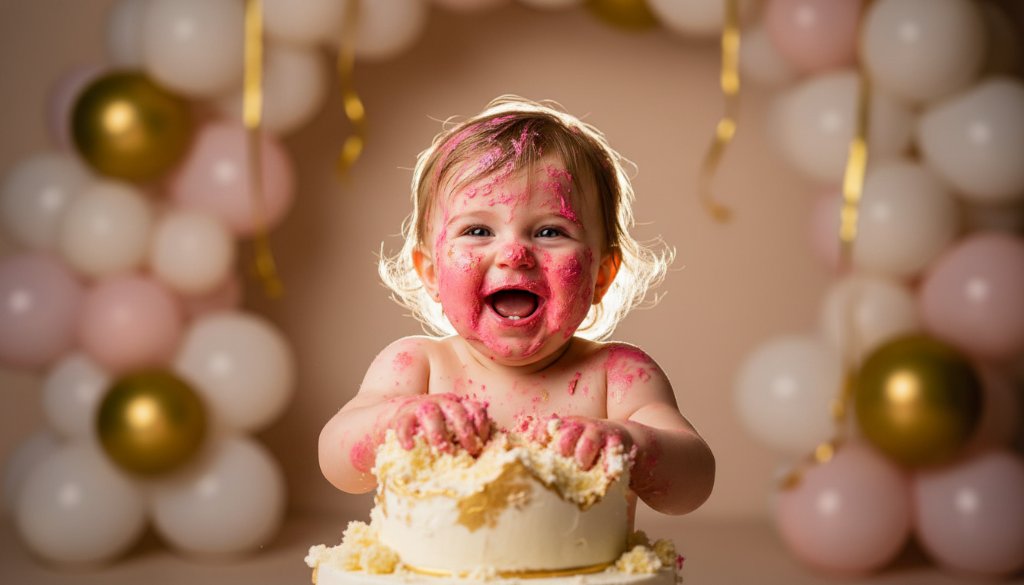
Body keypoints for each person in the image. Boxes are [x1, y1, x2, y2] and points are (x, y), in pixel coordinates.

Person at [319, 96, 714, 517]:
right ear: (431, 273)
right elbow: (336, 463)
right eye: (477, 230)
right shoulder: (417, 367)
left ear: (601, 274)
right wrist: (392, 422)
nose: (514, 254)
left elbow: (693, 483)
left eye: (549, 231)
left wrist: (631, 444)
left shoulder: (617, 377)